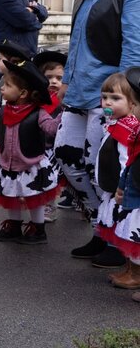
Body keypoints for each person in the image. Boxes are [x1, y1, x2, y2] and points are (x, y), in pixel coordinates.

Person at [58, 0, 140, 267]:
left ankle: (115, 239)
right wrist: (65, 81)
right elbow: (77, 38)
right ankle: (101, 227)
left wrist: (126, 96)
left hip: (108, 97)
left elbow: (134, 45)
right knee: (66, 159)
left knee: (104, 171)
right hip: (78, 91)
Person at [0, 59, 61, 244]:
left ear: (23, 93)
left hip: (31, 165)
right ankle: (14, 226)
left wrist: (63, 115)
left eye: (8, 85)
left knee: (34, 198)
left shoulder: (38, 113)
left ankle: (38, 229)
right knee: (11, 196)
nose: (2, 88)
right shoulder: (2, 112)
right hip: (8, 166)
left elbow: (51, 129)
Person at [93, 69, 140, 291]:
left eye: (115, 98)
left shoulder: (127, 129)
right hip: (117, 187)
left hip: (126, 190)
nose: (107, 102)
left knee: (131, 232)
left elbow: (126, 160)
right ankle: (130, 269)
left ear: (132, 103)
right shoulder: (115, 123)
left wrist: (122, 186)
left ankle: (136, 274)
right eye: (104, 97)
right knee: (123, 232)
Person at [35, 49, 70, 220]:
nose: (54, 81)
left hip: (56, 147)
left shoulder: (65, 101)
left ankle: (50, 207)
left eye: (59, 78)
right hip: (39, 146)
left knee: (53, 178)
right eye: (49, 77)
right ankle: (43, 205)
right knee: (41, 177)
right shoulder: (37, 99)